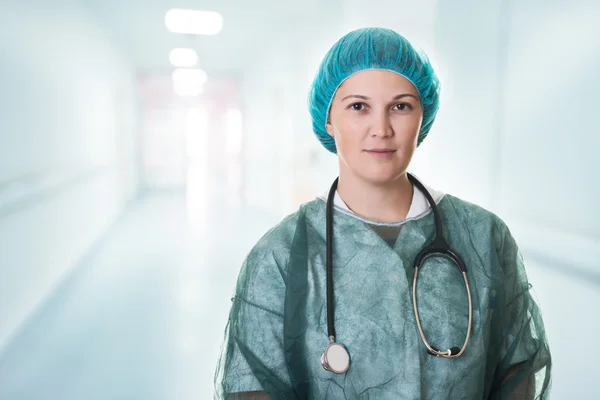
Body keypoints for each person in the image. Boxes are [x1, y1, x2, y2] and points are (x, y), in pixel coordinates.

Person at [213, 27, 552, 400]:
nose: (382, 129)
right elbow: (253, 387)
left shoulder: (484, 236)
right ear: (328, 120)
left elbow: (517, 368)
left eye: (401, 106)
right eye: (358, 107)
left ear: (423, 117)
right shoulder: (280, 255)